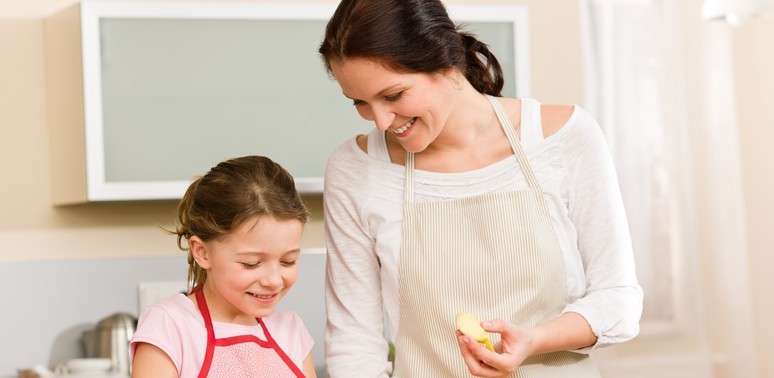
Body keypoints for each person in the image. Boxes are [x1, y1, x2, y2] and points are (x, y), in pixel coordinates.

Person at [318, 0, 643, 377]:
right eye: (359, 101)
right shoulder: (356, 169)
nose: (380, 120)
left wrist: (534, 340)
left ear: (445, 63)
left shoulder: (564, 139)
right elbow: (353, 344)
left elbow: (618, 300)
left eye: (393, 96)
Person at [129, 155, 317, 378]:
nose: (273, 280)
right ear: (202, 252)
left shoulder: (290, 330)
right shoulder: (171, 325)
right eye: (251, 263)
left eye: (288, 261)